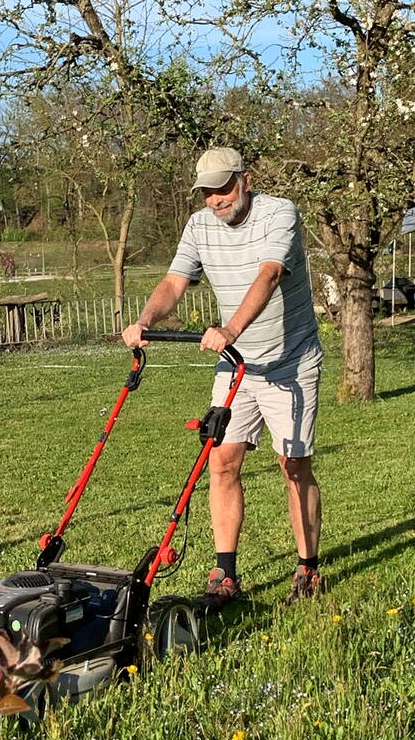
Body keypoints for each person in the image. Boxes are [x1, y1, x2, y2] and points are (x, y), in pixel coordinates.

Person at [122, 147, 323, 609]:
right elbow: (174, 282)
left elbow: (270, 275)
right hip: (235, 365)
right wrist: (146, 320)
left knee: (293, 466)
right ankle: (225, 572)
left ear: (245, 179)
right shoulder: (199, 225)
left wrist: (230, 328)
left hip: (290, 360)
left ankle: (308, 566)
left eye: (223, 188)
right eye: (207, 192)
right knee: (221, 462)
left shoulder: (280, 214)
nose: (215, 200)